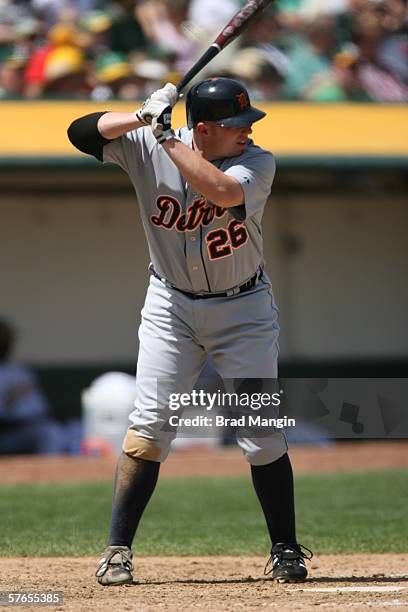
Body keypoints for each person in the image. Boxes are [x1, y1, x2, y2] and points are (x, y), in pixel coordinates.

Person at [67, 76, 313, 586]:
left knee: (261, 432)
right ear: (204, 127)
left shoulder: (257, 162)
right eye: (235, 124)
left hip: (243, 307)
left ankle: (286, 549)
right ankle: (117, 551)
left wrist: (165, 137)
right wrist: (140, 117)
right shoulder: (149, 138)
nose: (247, 131)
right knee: (151, 426)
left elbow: (221, 192)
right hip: (170, 306)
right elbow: (79, 131)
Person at [0, 318, 64, 454]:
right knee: (49, 434)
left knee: (72, 429)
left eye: (6, 339)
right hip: (8, 433)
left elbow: (41, 408)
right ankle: (48, 473)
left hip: (34, 427)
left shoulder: (21, 371)